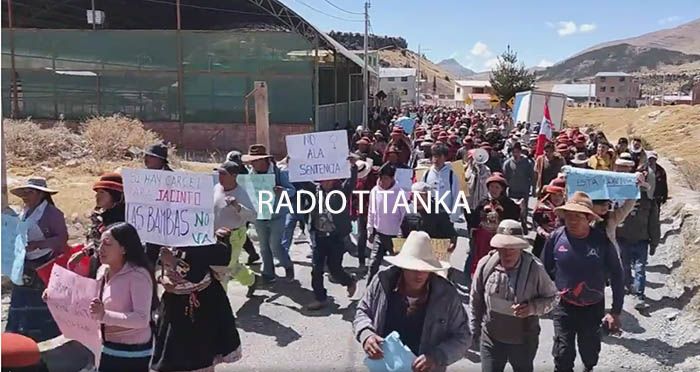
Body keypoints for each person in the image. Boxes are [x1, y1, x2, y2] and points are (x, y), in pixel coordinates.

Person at [353, 231, 470, 372]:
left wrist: (436, 356)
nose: (419, 274)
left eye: (425, 268)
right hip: (384, 366)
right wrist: (366, 334)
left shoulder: (446, 294)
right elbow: (362, 311)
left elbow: (463, 336)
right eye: (414, 267)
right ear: (403, 266)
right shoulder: (383, 281)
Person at [543, 192, 624, 372]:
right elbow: (544, 271)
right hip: (563, 306)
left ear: (588, 218)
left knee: (590, 352)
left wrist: (615, 311)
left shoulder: (602, 241)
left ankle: (588, 367)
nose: (572, 220)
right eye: (569, 216)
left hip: (592, 307)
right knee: (562, 354)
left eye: (578, 216)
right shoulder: (555, 238)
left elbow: (617, 275)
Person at [470, 220, 559, 372]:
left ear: (520, 247)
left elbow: (553, 298)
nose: (508, 252)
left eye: (512, 247)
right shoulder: (485, 265)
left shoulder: (535, 269)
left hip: (523, 342)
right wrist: (474, 329)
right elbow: (476, 298)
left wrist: (532, 308)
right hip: (491, 338)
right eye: (504, 247)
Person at [150, 229, 242, 372]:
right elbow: (150, 260)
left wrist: (174, 263)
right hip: (173, 303)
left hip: (205, 303)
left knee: (202, 359)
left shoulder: (198, 230)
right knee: (173, 357)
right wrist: (161, 277)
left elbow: (199, 272)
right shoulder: (157, 229)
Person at [86, 223, 155, 372]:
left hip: (132, 354)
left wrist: (105, 315)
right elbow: (90, 302)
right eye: (100, 244)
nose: (100, 249)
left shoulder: (138, 276)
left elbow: (142, 319)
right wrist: (56, 297)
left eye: (107, 244)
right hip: (105, 348)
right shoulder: (102, 271)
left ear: (123, 249)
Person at [7, 177, 68, 342]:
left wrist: (38, 244)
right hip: (24, 264)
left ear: (41, 194)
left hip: (44, 265)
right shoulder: (24, 212)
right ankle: (18, 335)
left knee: (40, 303)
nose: (26, 196)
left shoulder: (52, 214)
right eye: (24, 192)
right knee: (21, 300)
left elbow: (62, 238)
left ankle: (44, 337)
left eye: (30, 192)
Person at [307, 158, 359, 310]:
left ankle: (349, 281)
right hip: (319, 236)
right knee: (316, 269)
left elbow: (351, 183)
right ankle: (320, 298)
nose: (321, 182)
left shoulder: (341, 191)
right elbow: (302, 183)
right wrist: (293, 165)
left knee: (334, 268)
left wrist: (353, 166)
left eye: (324, 179)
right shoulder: (316, 190)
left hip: (335, 237)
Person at [242, 144, 296, 284]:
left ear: (266, 160)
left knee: (275, 246)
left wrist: (283, 191)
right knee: (264, 247)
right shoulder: (250, 175)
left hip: (277, 215)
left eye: (257, 161)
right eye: (252, 161)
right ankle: (268, 274)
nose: (254, 164)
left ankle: (288, 265)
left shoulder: (280, 173)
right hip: (260, 215)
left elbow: (292, 191)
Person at [213, 160, 259, 297]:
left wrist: (238, 207)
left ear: (234, 176)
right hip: (215, 234)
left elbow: (253, 215)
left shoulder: (241, 193)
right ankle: (252, 279)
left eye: (223, 174)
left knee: (223, 269)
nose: (220, 176)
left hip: (234, 236)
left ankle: (221, 306)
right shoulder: (216, 188)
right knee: (231, 266)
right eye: (219, 173)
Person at [69, 173, 125, 278]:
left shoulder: (121, 221)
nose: (97, 196)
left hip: (115, 268)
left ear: (115, 196)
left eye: (102, 192)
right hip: (98, 263)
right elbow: (96, 241)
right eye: (97, 192)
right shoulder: (99, 217)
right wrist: (85, 252)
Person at [367, 163, 406, 283]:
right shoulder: (375, 191)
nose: (383, 181)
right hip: (380, 234)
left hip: (395, 237)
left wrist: (402, 235)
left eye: (386, 179)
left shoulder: (399, 193)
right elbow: (371, 211)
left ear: (392, 179)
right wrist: (370, 229)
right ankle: (368, 288)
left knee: (399, 266)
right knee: (373, 264)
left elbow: (403, 216)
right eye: (381, 178)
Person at [400, 182, 458, 253]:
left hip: (433, 254)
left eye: (421, 197)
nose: (418, 200)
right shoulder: (409, 211)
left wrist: (452, 244)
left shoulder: (439, 213)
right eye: (415, 197)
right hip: (414, 253)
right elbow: (402, 232)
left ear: (428, 197)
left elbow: (451, 234)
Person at [420, 144, 462, 223]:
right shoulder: (427, 173)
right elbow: (421, 193)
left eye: (439, 156)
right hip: (429, 215)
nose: (436, 159)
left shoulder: (451, 175)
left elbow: (456, 195)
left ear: (445, 157)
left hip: (446, 216)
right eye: (434, 156)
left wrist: (453, 215)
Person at [502, 142, 534, 232]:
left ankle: (524, 223)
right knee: (512, 209)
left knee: (523, 210)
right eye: (513, 152)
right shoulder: (508, 163)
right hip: (512, 190)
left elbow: (532, 176)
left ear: (520, 152)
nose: (515, 154)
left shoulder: (527, 162)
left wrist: (533, 188)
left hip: (523, 190)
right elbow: (505, 177)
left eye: (517, 152)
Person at [353, 158, 377, 270]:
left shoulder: (375, 177)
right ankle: (361, 261)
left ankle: (376, 260)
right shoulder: (355, 181)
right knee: (361, 237)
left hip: (375, 210)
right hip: (361, 211)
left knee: (377, 235)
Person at [532, 184, 565, 259]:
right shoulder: (541, 207)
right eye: (554, 195)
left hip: (561, 239)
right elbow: (536, 221)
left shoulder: (568, 210)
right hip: (543, 239)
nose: (557, 198)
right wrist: (542, 231)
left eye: (560, 195)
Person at [465, 149, 491, 230]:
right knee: (469, 223)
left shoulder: (486, 170)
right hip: (468, 202)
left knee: (478, 224)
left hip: (481, 202)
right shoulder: (466, 169)